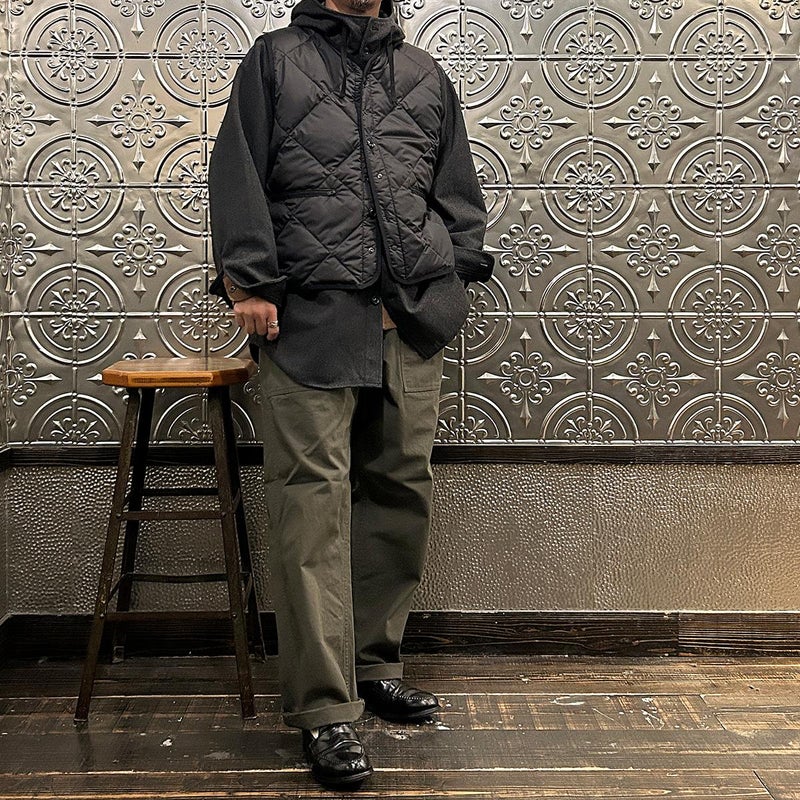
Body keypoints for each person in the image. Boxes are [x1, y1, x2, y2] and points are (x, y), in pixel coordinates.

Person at [208, 0, 492, 788]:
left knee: (399, 491)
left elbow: (457, 192)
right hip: (308, 320)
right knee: (311, 506)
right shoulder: (273, 59)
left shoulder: (424, 73)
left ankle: (373, 665)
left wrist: (451, 279)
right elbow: (237, 172)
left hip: (407, 323)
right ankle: (325, 708)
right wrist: (248, 281)